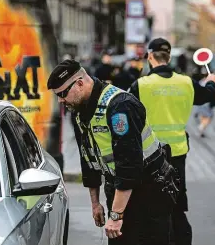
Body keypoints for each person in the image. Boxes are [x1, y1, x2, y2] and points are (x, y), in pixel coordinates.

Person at [47, 59, 179, 245]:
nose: (60, 100)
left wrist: (116, 215)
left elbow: (129, 166)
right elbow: (88, 160)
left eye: (62, 93)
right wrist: (95, 203)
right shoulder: (79, 112)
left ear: (80, 83)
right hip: (118, 190)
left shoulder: (120, 106)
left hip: (149, 191)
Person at [129, 38, 215, 245]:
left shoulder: (140, 85)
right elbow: (209, 96)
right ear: (168, 57)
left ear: (150, 57)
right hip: (178, 154)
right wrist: (212, 80)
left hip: (149, 156)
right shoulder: (186, 82)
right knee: (176, 204)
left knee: (152, 205)